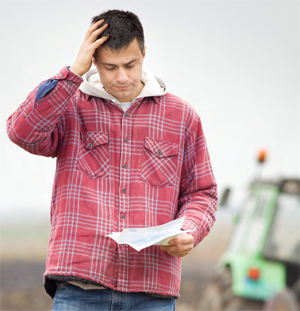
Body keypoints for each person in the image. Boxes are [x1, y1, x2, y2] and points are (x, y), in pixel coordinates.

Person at [6, 9, 217, 311]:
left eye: (130, 65)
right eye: (110, 67)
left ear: (144, 53)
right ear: (93, 61)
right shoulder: (69, 106)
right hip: (80, 287)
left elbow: (202, 192)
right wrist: (71, 73)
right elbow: (21, 132)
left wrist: (191, 229)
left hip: (152, 291)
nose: (121, 77)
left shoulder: (182, 116)